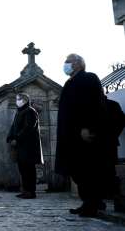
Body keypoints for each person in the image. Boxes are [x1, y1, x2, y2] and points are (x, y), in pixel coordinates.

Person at [55, 53, 108, 217]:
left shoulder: (89, 78)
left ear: (78, 64)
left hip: (82, 133)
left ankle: (92, 203)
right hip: (70, 134)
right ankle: (90, 202)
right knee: (76, 170)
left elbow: (93, 104)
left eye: (68, 61)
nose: (65, 64)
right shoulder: (69, 82)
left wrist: (87, 127)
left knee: (86, 169)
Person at [7, 93, 43, 199]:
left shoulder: (30, 111)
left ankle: (30, 191)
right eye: (17, 99)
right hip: (21, 146)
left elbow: (28, 128)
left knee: (29, 169)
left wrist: (17, 138)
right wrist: (10, 138)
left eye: (19, 99)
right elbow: (13, 127)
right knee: (23, 168)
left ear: (25, 100)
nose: (17, 100)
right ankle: (26, 190)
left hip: (28, 146)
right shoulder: (19, 112)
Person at [104, 97, 125, 211]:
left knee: (110, 169)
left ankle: (112, 194)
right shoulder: (112, 104)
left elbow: (121, 120)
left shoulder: (112, 105)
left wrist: (113, 134)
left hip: (109, 142)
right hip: (103, 142)